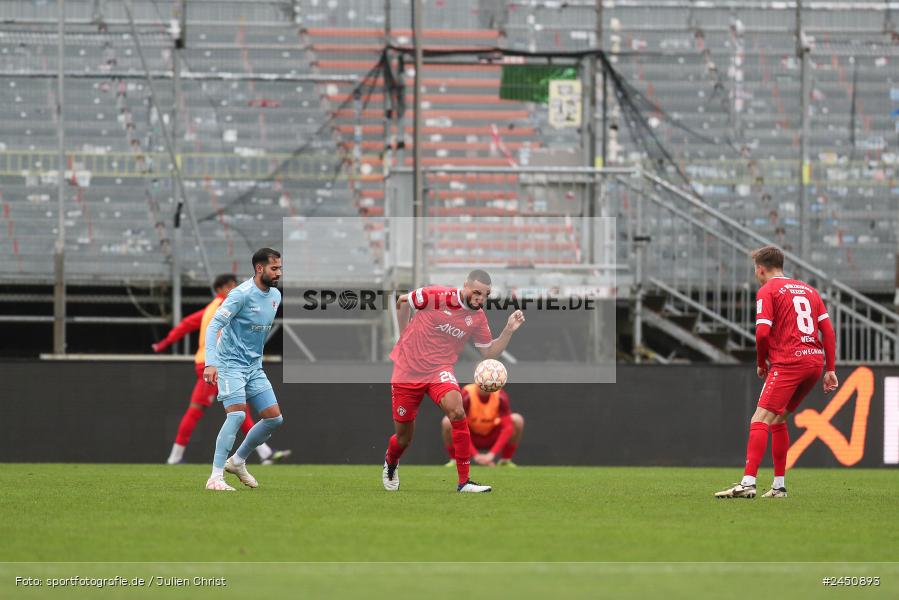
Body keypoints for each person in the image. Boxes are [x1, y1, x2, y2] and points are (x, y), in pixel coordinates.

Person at [382, 269, 525, 493]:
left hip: (439, 370)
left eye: (486, 295)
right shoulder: (435, 296)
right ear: (465, 286)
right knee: (403, 438)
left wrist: (507, 330)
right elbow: (402, 301)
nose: (481, 298)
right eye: (477, 292)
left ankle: (464, 482)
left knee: (457, 412)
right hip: (407, 371)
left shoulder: (477, 318)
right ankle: (391, 462)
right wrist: (403, 336)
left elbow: (488, 353)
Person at [715, 246, 838, 499]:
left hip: (789, 362)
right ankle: (779, 486)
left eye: (755, 270)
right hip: (814, 364)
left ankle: (748, 483)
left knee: (759, 420)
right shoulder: (809, 290)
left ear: (760, 268)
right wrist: (831, 369)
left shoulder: (767, 291)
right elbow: (828, 331)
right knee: (778, 419)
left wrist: (762, 361)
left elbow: (761, 333)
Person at [153, 273, 290, 466]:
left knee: (239, 411)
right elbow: (212, 328)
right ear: (220, 289)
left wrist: (163, 344)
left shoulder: (210, 308)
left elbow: (185, 324)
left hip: (219, 362)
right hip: (216, 363)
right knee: (199, 410)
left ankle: (264, 453)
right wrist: (213, 362)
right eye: (230, 286)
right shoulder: (228, 304)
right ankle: (177, 457)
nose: (234, 289)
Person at [202, 248, 286, 492]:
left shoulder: (275, 296)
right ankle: (215, 477)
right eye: (274, 268)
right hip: (230, 364)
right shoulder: (241, 294)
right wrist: (211, 362)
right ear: (259, 268)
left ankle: (237, 461)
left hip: (253, 366)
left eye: (280, 268)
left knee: (274, 419)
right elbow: (214, 325)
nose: (278, 273)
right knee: (237, 415)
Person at [442, 383, 524, 467]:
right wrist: (476, 455)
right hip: (470, 436)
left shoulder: (500, 394)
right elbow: (460, 426)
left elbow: (508, 427)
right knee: (448, 421)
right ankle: (455, 460)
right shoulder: (467, 393)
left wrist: (491, 454)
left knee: (517, 420)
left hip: (492, 437)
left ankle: (505, 461)